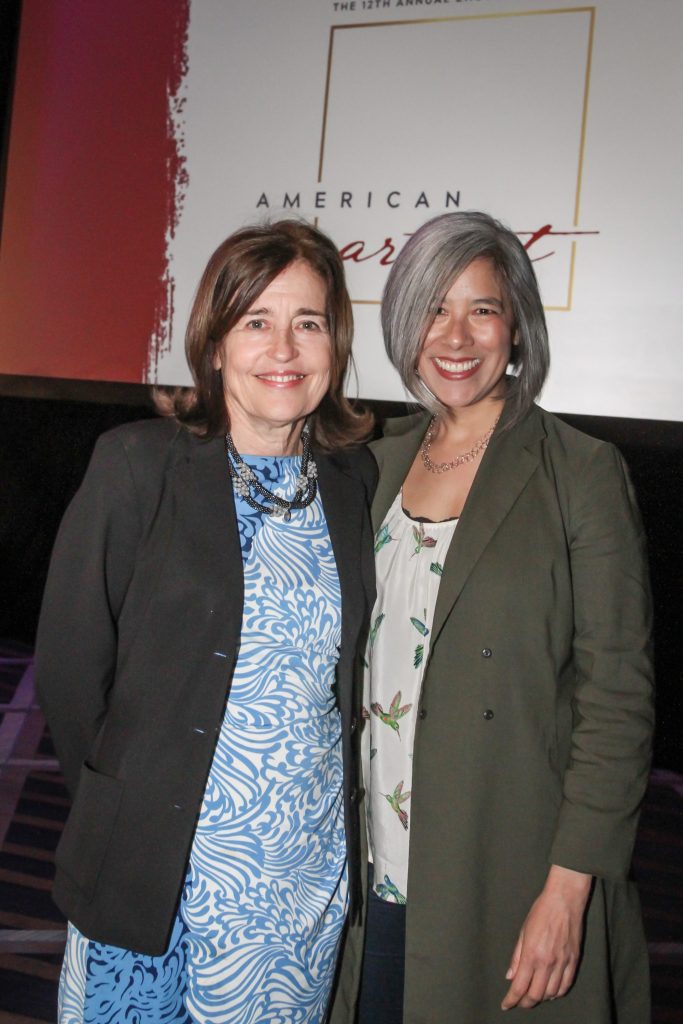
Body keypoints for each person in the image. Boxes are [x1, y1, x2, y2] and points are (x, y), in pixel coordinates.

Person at [34, 220, 377, 1023]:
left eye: (308, 323)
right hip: (150, 870)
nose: (283, 348)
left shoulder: (352, 479)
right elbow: (71, 669)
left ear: (334, 343)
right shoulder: (137, 463)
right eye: (256, 321)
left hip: (292, 881)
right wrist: (126, 798)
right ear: (214, 343)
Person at [329, 211, 654, 1024]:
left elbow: (617, 700)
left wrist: (567, 891)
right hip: (370, 877)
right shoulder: (370, 464)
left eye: (481, 308)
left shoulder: (580, 472)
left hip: (507, 877)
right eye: (433, 308)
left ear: (515, 327)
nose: (455, 335)